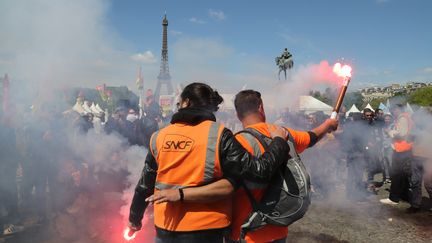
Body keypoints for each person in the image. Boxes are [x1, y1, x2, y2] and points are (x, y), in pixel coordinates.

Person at [148, 90, 338, 243]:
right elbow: (312, 137)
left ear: (238, 114)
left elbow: (220, 186)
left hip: (245, 231)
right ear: (261, 106)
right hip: (278, 228)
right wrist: (328, 124)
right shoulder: (284, 133)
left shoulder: (237, 142)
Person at [127, 83, 291, 243]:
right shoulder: (219, 134)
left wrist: (135, 219)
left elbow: (144, 186)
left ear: (186, 102)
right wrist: (279, 141)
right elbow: (259, 171)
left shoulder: (159, 137)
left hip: (165, 228)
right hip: (208, 229)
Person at [380, 104, 413, 206]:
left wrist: (389, 132)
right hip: (405, 149)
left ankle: (393, 198)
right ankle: (404, 195)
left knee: (396, 174)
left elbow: (401, 134)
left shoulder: (402, 118)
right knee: (402, 175)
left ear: (397, 109)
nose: (392, 112)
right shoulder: (407, 117)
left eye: (393, 110)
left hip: (401, 149)